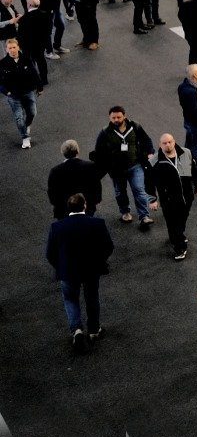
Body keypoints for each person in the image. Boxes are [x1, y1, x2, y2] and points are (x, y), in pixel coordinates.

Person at [45, 192, 113, 353]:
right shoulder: (97, 223)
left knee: (70, 299)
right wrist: (99, 261)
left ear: (68, 208)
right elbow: (108, 246)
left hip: (68, 271)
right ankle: (94, 330)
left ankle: (76, 330)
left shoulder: (57, 227)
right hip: (91, 269)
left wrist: (60, 266)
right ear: (85, 205)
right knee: (92, 298)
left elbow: (50, 253)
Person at [93, 106, 155, 227]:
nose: (116, 119)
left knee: (139, 190)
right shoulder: (105, 132)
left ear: (124, 116)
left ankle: (144, 216)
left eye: (119, 117)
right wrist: (105, 166)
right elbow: (98, 150)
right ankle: (125, 212)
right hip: (116, 170)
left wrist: (150, 151)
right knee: (120, 192)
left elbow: (146, 140)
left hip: (135, 165)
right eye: (113, 117)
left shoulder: (135, 126)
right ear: (109, 118)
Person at [148, 132, 197, 261]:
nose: (168, 145)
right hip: (168, 199)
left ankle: (176, 236)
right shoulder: (154, 161)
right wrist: (152, 199)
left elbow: (195, 169)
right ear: (160, 145)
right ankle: (180, 246)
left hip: (186, 197)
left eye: (170, 142)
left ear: (174, 142)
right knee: (172, 221)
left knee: (181, 219)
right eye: (164, 143)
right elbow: (148, 181)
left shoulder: (186, 153)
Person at [0, 36, 42, 147]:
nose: (12, 50)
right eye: (10, 48)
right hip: (13, 96)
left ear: (18, 47)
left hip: (28, 92)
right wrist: (6, 92)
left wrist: (39, 87)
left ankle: (27, 125)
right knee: (19, 118)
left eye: (14, 47)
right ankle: (25, 138)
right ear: (6, 49)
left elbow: (34, 72)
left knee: (32, 113)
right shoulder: (2, 64)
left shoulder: (26, 59)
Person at [48, 138, 103, 218]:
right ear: (77, 151)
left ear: (63, 153)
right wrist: (96, 200)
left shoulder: (55, 171)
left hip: (64, 209)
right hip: (87, 206)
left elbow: (52, 192)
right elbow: (96, 185)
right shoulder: (90, 166)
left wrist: (57, 205)